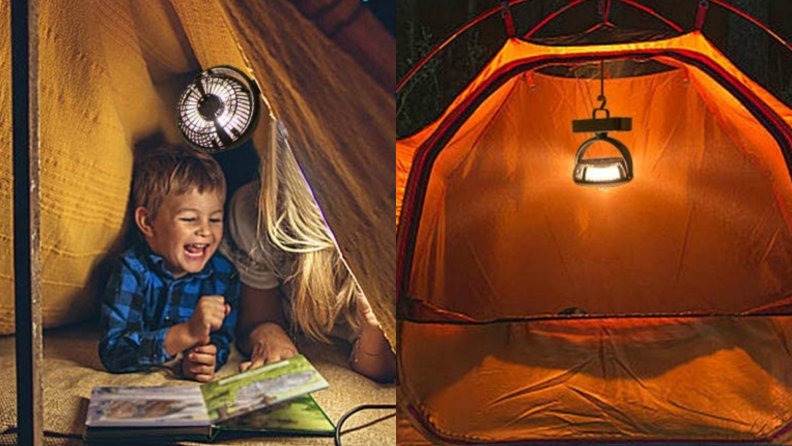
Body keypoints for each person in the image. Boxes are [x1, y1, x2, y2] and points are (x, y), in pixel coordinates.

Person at [222, 122, 396, 383]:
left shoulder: (385, 234)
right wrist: (269, 334)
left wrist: (373, 331)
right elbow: (258, 319)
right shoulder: (254, 214)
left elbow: (380, 368)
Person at [99, 145, 239, 383]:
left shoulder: (224, 276)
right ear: (148, 222)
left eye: (215, 219)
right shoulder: (132, 271)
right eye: (189, 219)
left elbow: (221, 338)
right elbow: (114, 352)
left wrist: (206, 359)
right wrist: (185, 334)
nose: (205, 230)